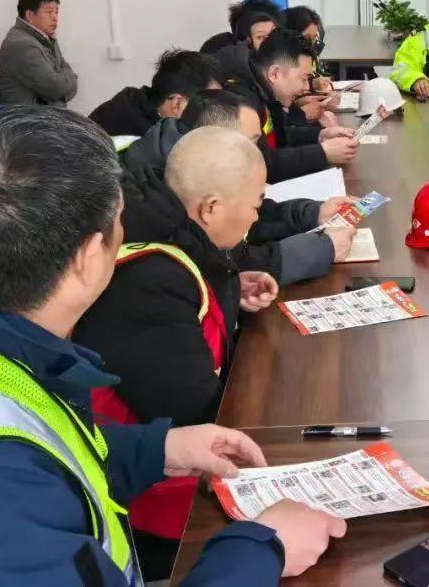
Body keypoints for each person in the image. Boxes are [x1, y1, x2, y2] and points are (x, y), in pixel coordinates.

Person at [0, 106, 345, 585]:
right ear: (86, 258)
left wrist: (154, 448)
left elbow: (41, 437)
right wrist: (262, 548)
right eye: (121, 222)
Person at [75, 127, 280, 574]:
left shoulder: (165, 235)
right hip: (151, 508)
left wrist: (230, 287)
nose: (256, 218)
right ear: (210, 208)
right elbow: (194, 408)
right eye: (255, 205)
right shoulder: (149, 282)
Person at [120, 89, 357, 284]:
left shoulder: (186, 156)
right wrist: (321, 249)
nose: (258, 153)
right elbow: (225, 262)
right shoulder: (165, 192)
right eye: (251, 143)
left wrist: (313, 214)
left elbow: (246, 218)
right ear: (218, 138)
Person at [216, 27, 359, 182]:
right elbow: (261, 164)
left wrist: (320, 135)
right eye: (303, 79)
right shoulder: (242, 103)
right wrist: (322, 153)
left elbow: (277, 137)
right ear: (274, 74)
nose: (306, 87)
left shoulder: (261, 90)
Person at [89, 49, 222, 138]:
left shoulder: (141, 105)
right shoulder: (138, 142)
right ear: (177, 104)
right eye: (209, 105)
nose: (217, 113)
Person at [0, 0, 79, 106]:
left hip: (43, 115)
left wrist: (64, 84)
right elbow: (56, 88)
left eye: (56, 12)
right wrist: (69, 80)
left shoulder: (45, 38)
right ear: (29, 15)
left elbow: (62, 81)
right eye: (49, 12)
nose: (55, 18)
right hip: (27, 116)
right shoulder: (22, 45)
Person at [200, 0, 283, 55]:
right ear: (244, 42)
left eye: (274, 34)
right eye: (260, 37)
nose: (270, 42)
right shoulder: (219, 52)